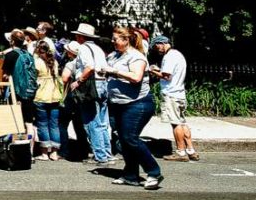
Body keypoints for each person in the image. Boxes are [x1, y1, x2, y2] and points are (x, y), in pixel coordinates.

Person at [103, 27, 163, 189]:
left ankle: (154, 172)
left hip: (137, 104)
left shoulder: (137, 57)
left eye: (116, 39)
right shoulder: (114, 55)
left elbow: (136, 77)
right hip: (117, 103)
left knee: (130, 138)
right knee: (121, 141)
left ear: (126, 40)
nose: (113, 42)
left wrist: (114, 71)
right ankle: (131, 175)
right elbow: (110, 71)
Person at [70, 23, 113, 165]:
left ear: (81, 36)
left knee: (92, 122)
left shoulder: (83, 48)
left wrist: (78, 81)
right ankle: (107, 153)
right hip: (102, 83)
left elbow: (89, 67)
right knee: (102, 121)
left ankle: (100, 156)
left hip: (91, 85)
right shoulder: (98, 49)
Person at [149, 35, 198, 162]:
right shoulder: (178, 55)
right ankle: (190, 150)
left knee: (175, 123)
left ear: (161, 43)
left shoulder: (169, 56)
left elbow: (166, 76)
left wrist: (153, 71)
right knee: (182, 122)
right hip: (180, 93)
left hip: (171, 93)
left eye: (156, 46)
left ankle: (180, 152)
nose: (157, 49)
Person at [2, 29, 36, 147]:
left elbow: (5, 75)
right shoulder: (29, 55)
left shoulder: (11, 55)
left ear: (12, 41)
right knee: (29, 123)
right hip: (30, 91)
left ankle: (16, 148)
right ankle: (29, 151)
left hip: (16, 91)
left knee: (16, 121)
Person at [33, 40, 63, 161]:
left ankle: (45, 152)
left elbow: (33, 77)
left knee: (43, 125)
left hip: (41, 95)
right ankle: (54, 153)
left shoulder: (37, 62)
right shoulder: (54, 62)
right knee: (54, 125)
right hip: (54, 95)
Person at [59, 41, 89, 161]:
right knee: (79, 125)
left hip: (72, 96)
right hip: (84, 96)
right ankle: (83, 150)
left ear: (70, 53)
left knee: (62, 123)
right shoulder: (84, 64)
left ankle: (64, 150)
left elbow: (65, 78)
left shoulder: (71, 64)